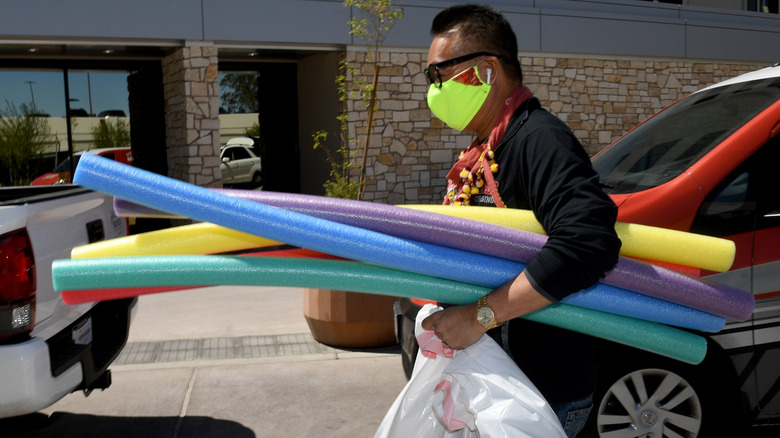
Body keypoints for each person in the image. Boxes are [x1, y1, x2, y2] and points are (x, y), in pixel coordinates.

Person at [419, 4, 622, 437]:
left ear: (486, 70)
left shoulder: (538, 139)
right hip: (499, 387)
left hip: (541, 393)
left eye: (439, 75)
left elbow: (588, 241)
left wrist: (477, 317)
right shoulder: (487, 147)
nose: (433, 90)